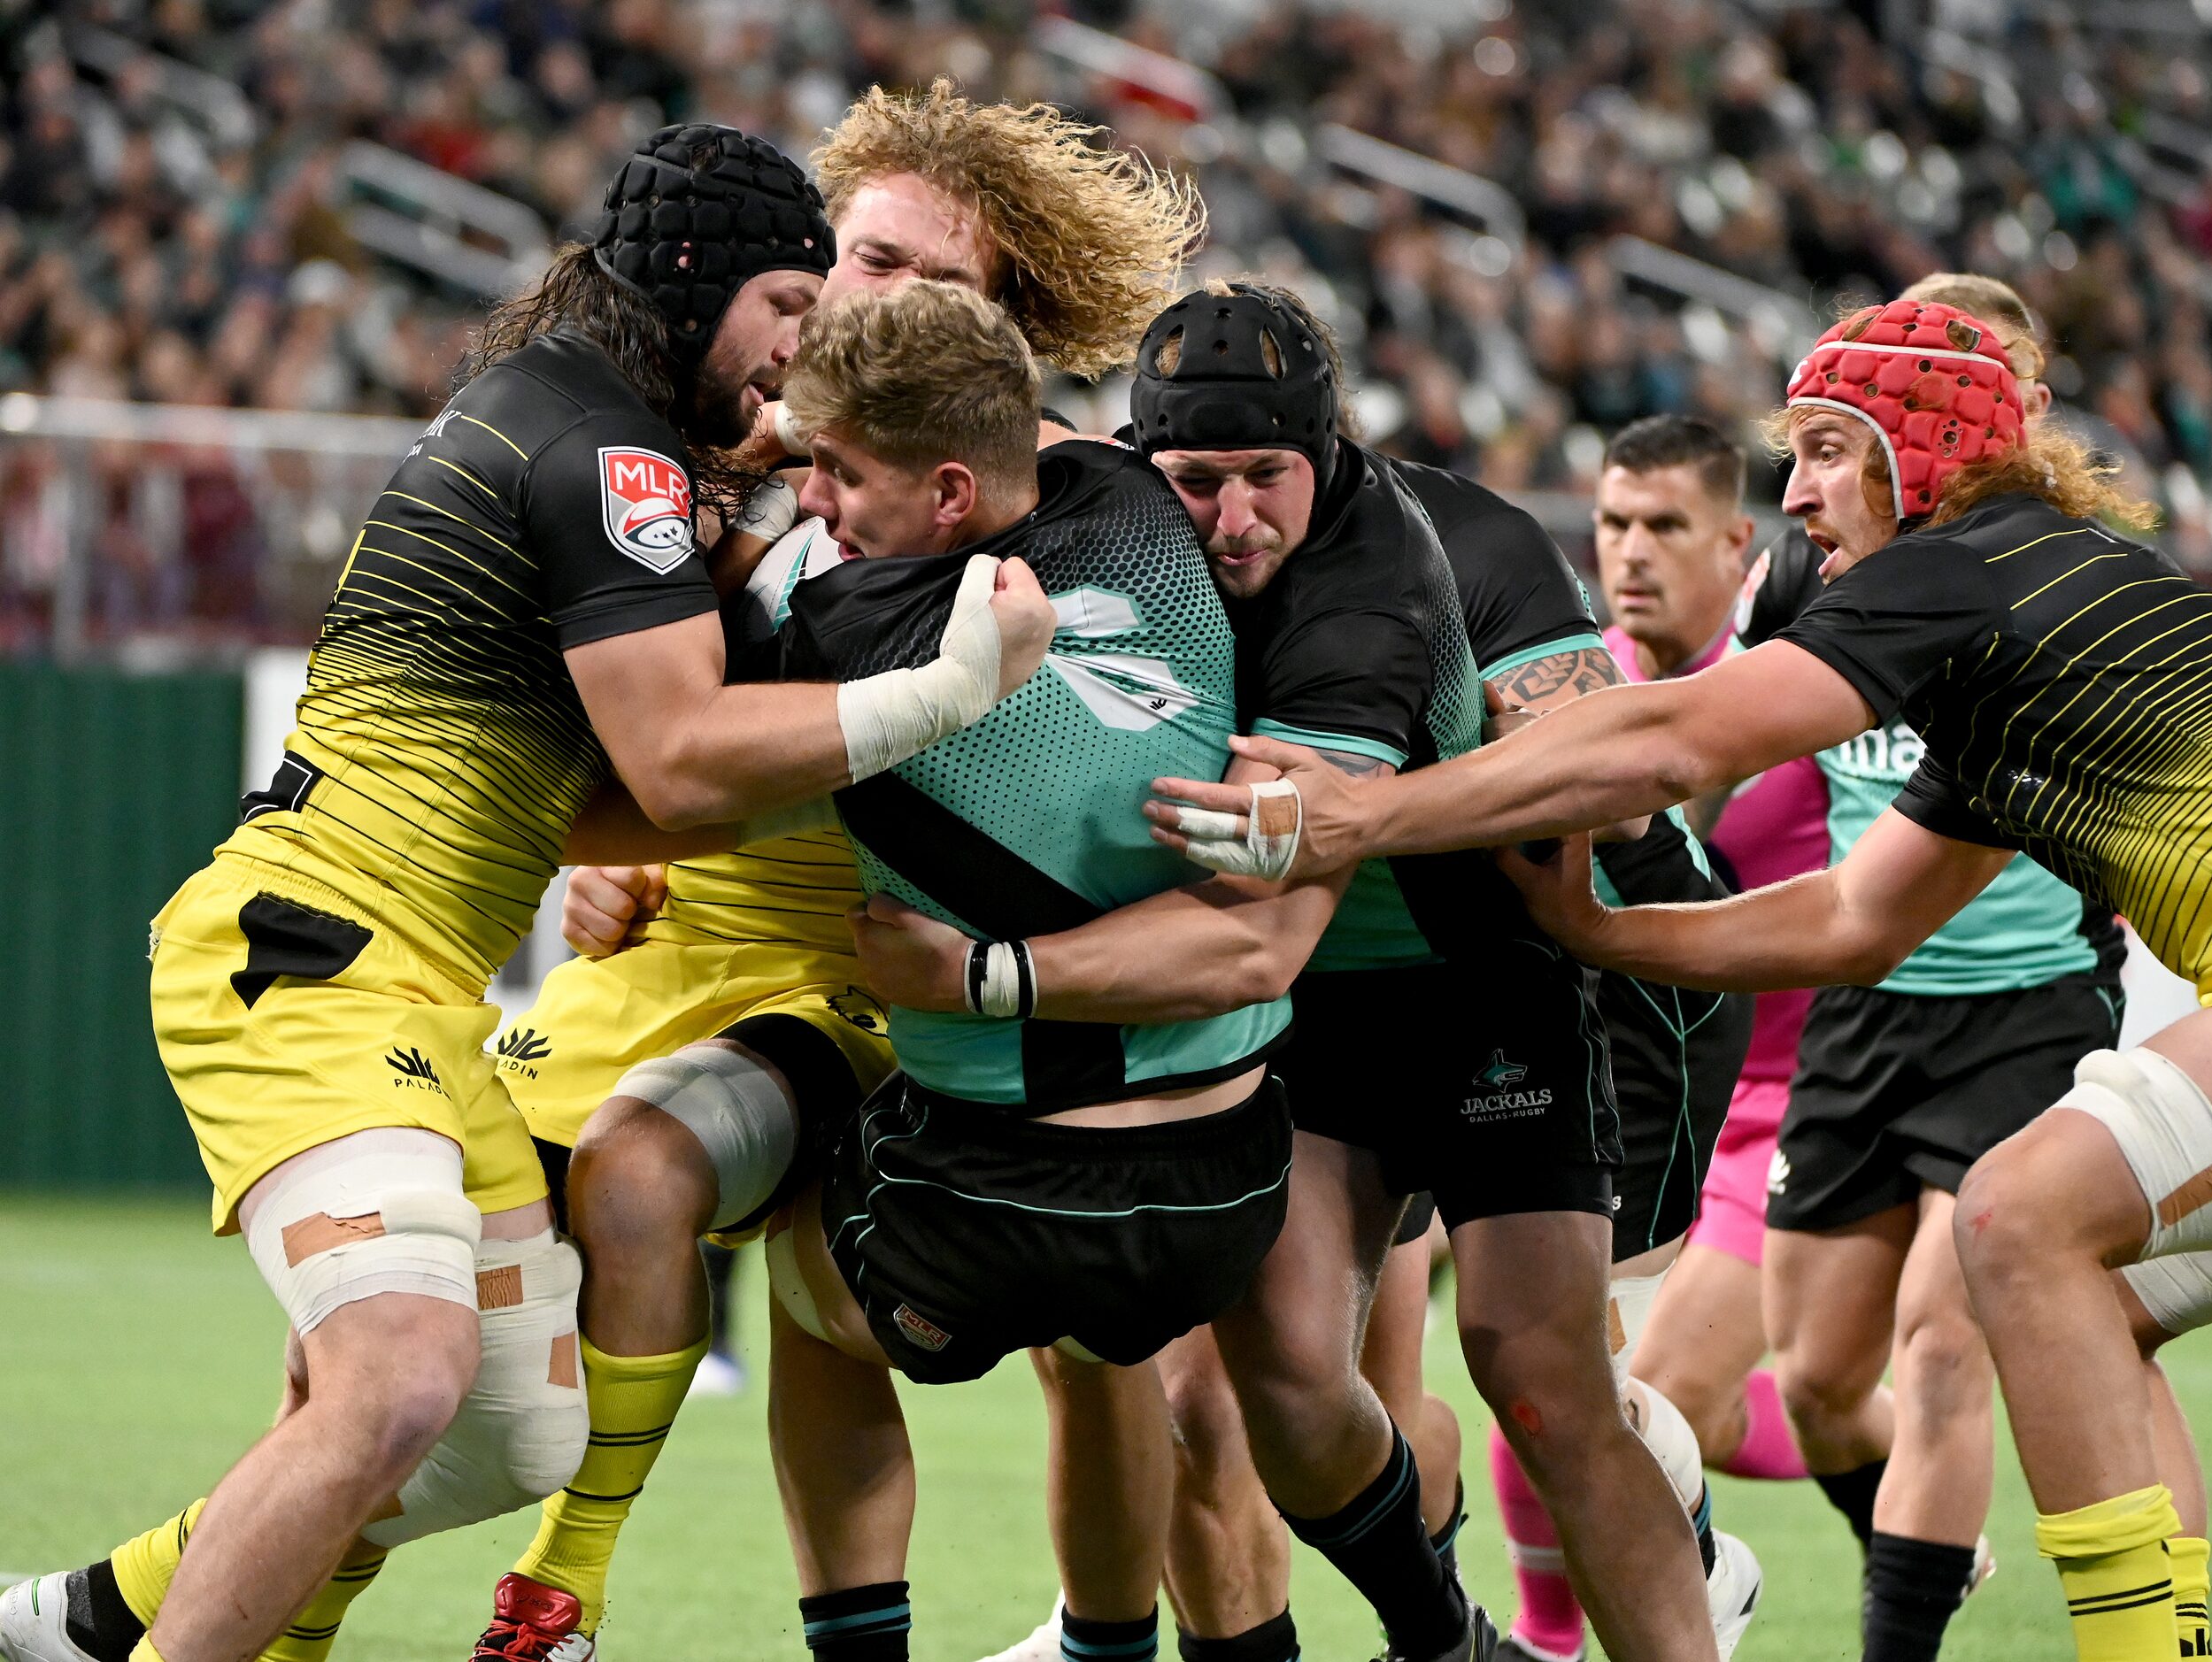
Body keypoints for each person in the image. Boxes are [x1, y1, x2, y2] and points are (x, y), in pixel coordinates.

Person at [0, 126, 1055, 1662]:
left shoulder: (586, 424)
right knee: (402, 1376)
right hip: (315, 956)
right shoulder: (612, 451)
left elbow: (609, 806)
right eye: (788, 300)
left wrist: (660, 850)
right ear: (695, 292)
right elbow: (687, 764)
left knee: (514, 1424)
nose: (804, 344)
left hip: (408, 985)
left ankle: (92, 1615)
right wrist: (952, 688)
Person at [1156, 296, 2212, 1662]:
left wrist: (1361, 815)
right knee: (2077, 1297)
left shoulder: (1961, 565)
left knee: (2017, 1219)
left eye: (1823, 447)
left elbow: (1678, 739)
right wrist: (1606, 935)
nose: (1794, 490)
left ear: (1918, 455)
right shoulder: (2008, 647)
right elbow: (1853, 919)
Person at [855, 281, 1719, 1662]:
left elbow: (1271, 922)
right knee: (1274, 1393)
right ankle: (1449, 1643)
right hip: (1293, 1025)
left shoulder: (1394, 579)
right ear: (1143, 465)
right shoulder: (1105, 526)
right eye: (1198, 482)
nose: (1236, 519)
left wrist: (985, 973)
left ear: (1330, 453)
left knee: (1540, 1379)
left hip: (1480, 980)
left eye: (1270, 476)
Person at [469, 81, 1205, 1662]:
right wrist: (613, 866)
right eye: (861, 260)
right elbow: (662, 732)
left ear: (1003, 327)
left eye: (934, 282)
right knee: (443, 1255)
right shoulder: (713, 463)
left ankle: (1108, 1641)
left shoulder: (1044, 498)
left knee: (1083, 1347)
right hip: (686, 961)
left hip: (913, 977)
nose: (877, 301)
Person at [753, 279, 1296, 1662]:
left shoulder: (846, 641)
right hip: (1233, 1187)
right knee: (1114, 1345)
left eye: (839, 469)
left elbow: (683, 747)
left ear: (945, 493)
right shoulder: (1129, 505)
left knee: (796, 1294)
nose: (816, 495)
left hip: (991, 1202)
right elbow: (1026, 439)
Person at [1723, 275, 2128, 1659]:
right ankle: (1923, 1555)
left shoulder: (2061, 566)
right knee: (1821, 1382)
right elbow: (1713, 739)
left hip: (2025, 1013)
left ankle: (1900, 1631)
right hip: (1864, 1007)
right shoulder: (1804, 574)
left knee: (1941, 1347)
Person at [1488, 413, 1809, 1662]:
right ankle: (1550, 1639)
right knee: (1550, 1371)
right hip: (1625, 1070)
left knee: (1613, 1379)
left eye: (1665, 525)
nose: (1630, 550)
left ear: (1738, 543)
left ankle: (1736, 1555)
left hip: (1788, 1090)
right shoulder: (1573, 681)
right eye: (1614, 522)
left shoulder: (1809, 691)